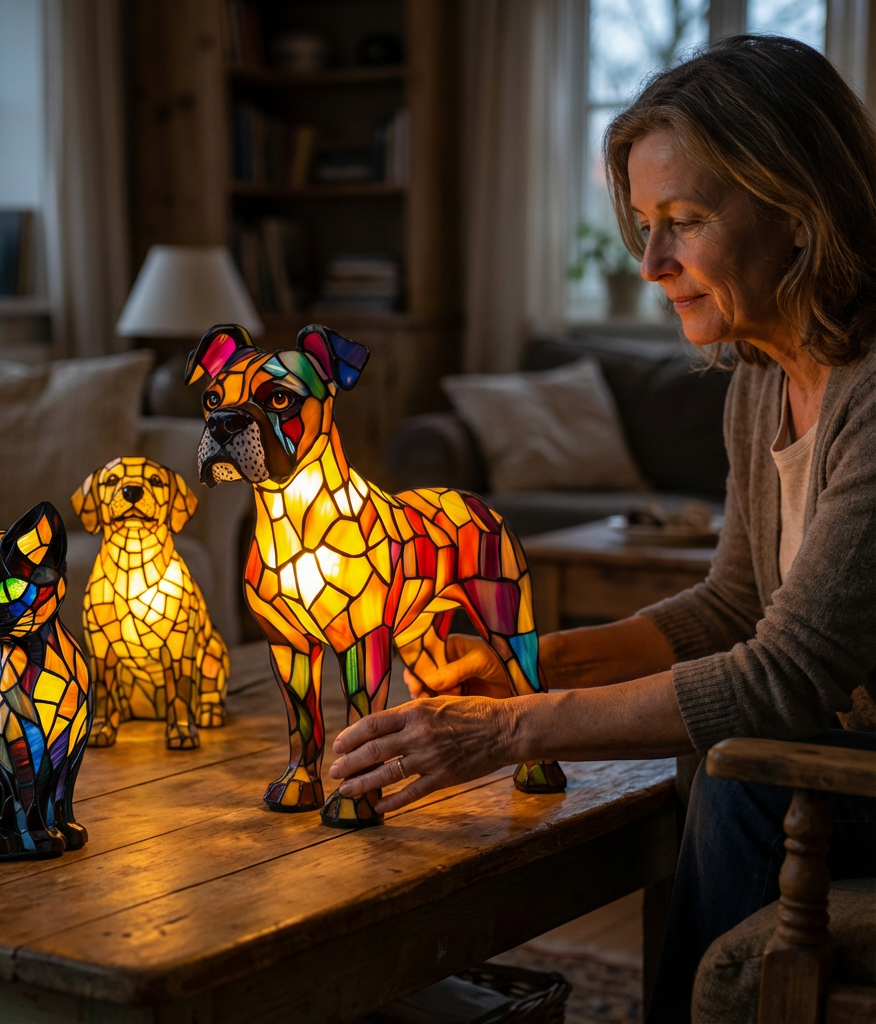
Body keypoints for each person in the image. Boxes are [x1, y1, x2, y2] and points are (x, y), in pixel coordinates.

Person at [327, 35, 875, 1022]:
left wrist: (511, 729)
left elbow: (785, 674)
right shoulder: (759, 383)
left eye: (684, 222)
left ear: (798, 212)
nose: (652, 263)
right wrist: (524, 662)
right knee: (723, 758)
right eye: (644, 225)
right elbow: (732, 605)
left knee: (735, 771)